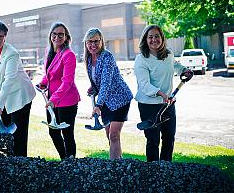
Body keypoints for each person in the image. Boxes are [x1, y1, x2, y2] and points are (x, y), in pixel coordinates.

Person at [134, 25, 193, 162]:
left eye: (157, 36)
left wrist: (184, 70)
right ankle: (153, 172)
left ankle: (166, 170)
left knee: (169, 138)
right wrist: (161, 94)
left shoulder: (168, 54)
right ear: (145, 39)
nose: (154, 39)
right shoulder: (141, 59)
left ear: (162, 38)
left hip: (168, 104)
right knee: (153, 140)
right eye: (150, 37)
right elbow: (144, 84)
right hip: (148, 105)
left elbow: (175, 65)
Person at [0, 20, 35, 157]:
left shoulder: (12, 53)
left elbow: (9, 80)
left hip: (20, 95)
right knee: (5, 131)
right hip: (4, 95)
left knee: (18, 135)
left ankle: (20, 165)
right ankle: (7, 163)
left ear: (5, 36)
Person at [83, 28, 133, 160]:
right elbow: (98, 80)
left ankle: (113, 167)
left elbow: (106, 82)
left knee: (114, 135)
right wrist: (93, 87)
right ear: (86, 43)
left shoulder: (107, 56)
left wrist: (98, 105)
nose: (93, 45)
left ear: (101, 41)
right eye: (90, 42)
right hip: (106, 101)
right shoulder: (88, 59)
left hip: (120, 98)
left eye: (96, 41)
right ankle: (119, 161)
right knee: (109, 135)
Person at [38, 22, 80, 160]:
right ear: (50, 36)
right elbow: (49, 74)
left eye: (61, 34)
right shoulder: (49, 51)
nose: (57, 37)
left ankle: (71, 163)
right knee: (53, 132)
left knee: (67, 134)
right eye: (54, 34)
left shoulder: (69, 55)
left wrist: (53, 100)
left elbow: (67, 82)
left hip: (66, 101)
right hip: (52, 101)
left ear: (66, 37)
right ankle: (64, 160)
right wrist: (43, 83)